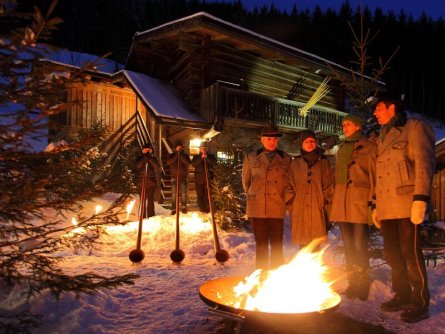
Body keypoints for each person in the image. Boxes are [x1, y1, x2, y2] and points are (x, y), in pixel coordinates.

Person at [372, 96, 435, 323]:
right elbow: (380, 174)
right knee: (392, 254)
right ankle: (403, 294)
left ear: (391, 108)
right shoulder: (382, 136)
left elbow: (424, 163)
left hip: (408, 204)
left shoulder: (414, 128)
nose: (375, 113)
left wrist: (420, 198)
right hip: (388, 207)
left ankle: (420, 302)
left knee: (411, 254)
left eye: (379, 109)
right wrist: (377, 205)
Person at [330, 114, 377, 301]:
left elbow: (375, 176)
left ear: (358, 126)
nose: (345, 127)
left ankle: (362, 285)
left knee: (359, 245)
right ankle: (352, 283)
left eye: (348, 124)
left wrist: (373, 202)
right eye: (343, 124)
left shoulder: (370, 147)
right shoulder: (342, 148)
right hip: (342, 203)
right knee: (349, 245)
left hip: (359, 202)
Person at [242, 122, 292, 270]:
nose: (272, 141)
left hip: (277, 206)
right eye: (269, 139)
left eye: (275, 139)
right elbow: (246, 181)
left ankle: (276, 274)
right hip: (257, 207)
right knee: (261, 245)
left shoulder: (286, 158)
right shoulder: (251, 157)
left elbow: (290, 182)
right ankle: (261, 275)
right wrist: (255, 196)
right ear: (262, 140)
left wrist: (285, 199)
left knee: (277, 244)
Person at [288, 129, 335, 249]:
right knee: (302, 242)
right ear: (302, 144)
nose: (310, 144)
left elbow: (329, 183)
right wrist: (291, 202)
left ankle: (314, 264)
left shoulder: (323, 162)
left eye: (312, 141)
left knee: (316, 240)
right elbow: (288, 184)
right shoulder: (295, 163)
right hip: (300, 207)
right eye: (307, 141)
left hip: (317, 206)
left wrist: (324, 200)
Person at [136, 144, 161, 219]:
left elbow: (156, 167)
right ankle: (142, 216)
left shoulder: (153, 158)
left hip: (151, 183)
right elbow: (138, 166)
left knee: (150, 201)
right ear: (143, 151)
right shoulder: (139, 158)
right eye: (145, 150)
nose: (147, 151)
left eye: (148, 150)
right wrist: (144, 159)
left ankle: (150, 216)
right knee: (142, 201)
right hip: (141, 182)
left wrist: (149, 159)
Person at [191, 141, 217, 213]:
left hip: (209, 179)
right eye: (202, 148)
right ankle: (201, 209)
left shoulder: (211, 156)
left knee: (207, 195)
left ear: (207, 149)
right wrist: (201, 158)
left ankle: (208, 209)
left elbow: (214, 164)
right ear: (200, 149)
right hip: (199, 179)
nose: (203, 150)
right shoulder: (196, 157)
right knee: (200, 195)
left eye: (205, 148)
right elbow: (193, 164)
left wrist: (207, 158)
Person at [166, 140, 191, 215]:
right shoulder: (171, 155)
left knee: (183, 193)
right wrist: (176, 156)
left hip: (183, 177)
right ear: (175, 148)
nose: (179, 148)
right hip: (174, 177)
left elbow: (188, 163)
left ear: (182, 148)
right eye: (178, 147)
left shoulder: (185, 155)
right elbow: (168, 162)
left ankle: (184, 208)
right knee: (174, 194)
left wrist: (181, 156)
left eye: (180, 147)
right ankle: (174, 209)